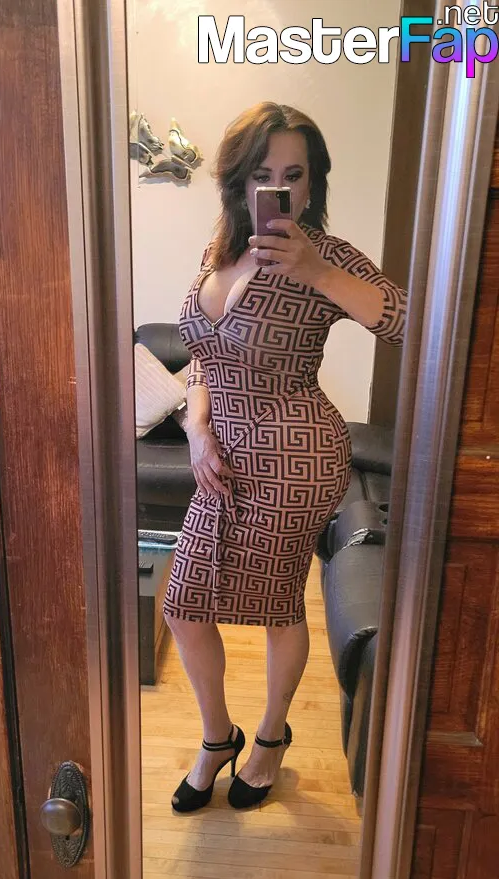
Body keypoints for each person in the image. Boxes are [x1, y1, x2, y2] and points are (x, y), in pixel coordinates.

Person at [162, 102, 407, 813]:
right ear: (237, 181)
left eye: (294, 175)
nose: (280, 189)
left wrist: (319, 272)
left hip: (296, 453)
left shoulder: (325, 255)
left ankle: (270, 737)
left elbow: (416, 323)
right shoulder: (218, 251)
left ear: (312, 182)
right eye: (262, 173)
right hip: (221, 455)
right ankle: (218, 738)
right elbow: (203, 360)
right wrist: (196, 428)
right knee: (183, 605)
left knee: (276, 605)